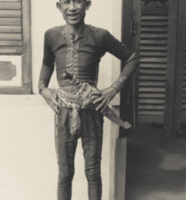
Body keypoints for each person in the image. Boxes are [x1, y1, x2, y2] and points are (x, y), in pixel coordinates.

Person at [38, 0, 139, 200]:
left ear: (87, 4)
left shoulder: (99, 36)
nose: (72, 7)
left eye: (78, 1)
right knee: (65, 174)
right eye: (66, 2)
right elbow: (47, 64)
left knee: (92, 172)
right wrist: (43, 89)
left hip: (92, 110)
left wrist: (113, 89)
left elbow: (133, 58)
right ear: (59, 7)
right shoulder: (51, 35)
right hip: (64, 110)